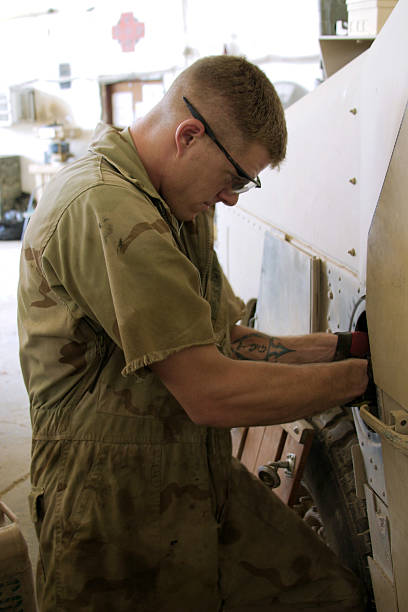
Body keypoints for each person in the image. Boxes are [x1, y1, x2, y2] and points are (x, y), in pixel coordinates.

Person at [18, 55, 369, 611]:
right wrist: (363, 382)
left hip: (194, 472)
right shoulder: (106, 208)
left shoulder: (178, 205)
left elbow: (223, 340)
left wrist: (341, 348)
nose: (231, 197)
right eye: (233, 179)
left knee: (329, 596)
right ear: (189, 136)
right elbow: (210, 391)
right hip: (111, 502)